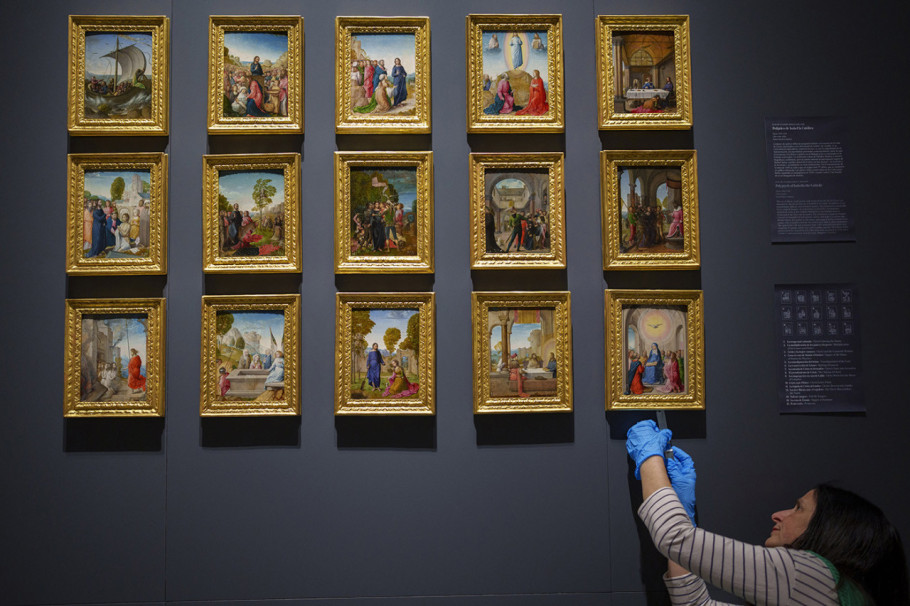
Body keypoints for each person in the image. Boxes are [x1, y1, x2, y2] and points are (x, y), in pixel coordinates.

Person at [626, 420, 910, 605]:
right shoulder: (838, 593)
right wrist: (683, 510)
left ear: (831, 531)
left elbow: (673, 537)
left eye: (798, 508)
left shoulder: (812, 576)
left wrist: (649, 456)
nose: (778, 514)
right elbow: (696, 604)